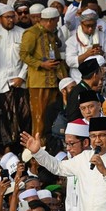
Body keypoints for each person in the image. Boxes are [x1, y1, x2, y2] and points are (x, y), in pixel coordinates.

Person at [0, 5, 31, 145]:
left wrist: (21, 76)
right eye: (7, 17)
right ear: (0, 18)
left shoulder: (23, 33)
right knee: (4, 116)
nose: (11, 20)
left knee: (24, 115)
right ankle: (8, 147)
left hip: (19, 81)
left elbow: (28, 58)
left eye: (12, 17)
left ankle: (23, 147)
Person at [20, 7, 67, 138]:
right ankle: (37, 147)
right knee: (39, 117)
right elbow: (23, 54)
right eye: (56, 22)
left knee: (50, 117)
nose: (56, 25)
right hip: (39, 82)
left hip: (52, 82)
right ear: (50, 21)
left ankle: (48, 146)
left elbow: (57, 58)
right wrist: (41, 64)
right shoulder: (32, 33)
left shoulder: (51, 34)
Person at [65, 9, 106, 82]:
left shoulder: (102, 36)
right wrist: (86, 55)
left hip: (99, 78)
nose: (90, 29)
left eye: (93, 25)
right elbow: (69, 61)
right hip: (79, 78)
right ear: (81, 24)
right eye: (87, 26)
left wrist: (102, 53)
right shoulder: (73, 39)